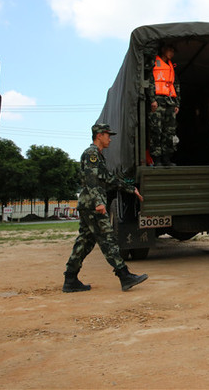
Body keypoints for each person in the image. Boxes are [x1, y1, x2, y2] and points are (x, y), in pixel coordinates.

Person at [62, 123, 148, 293]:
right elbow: (91, 180)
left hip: (89, 205)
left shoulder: (99, 156)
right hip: (93, 205)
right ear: (99, 135)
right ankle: (124, 275)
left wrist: (131, 189)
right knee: (108, 239)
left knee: (85, 242)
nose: (110, 138)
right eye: (108, 135)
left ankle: (70, 278)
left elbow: (109, 179)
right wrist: (99, 203)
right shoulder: (91, 154)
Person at [146, 43, 180, 166]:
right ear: (164, 50)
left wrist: (177, 103)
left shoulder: (171, 66)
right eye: (170, 50)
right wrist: (152, 99)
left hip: (170, 102)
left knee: (169, 131)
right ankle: (157, 159)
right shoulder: (154, 62)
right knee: (156, 130)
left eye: (173, 51)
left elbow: (176, 85)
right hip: (158, 101)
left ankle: (167, 158)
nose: (172, 53)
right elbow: (150, 81)